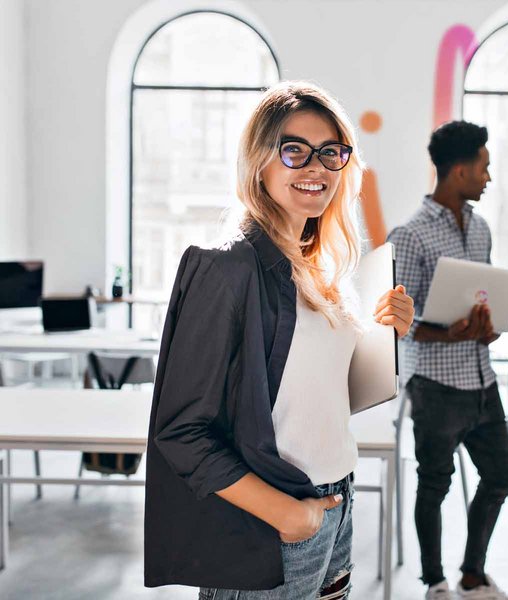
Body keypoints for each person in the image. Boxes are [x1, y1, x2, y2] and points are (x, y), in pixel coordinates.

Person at [143, 81, 414, 600]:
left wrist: (386, 335)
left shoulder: (318, 269)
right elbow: (181, 431)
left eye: (331, 153)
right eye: (295, 151)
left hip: (336, 507)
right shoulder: (226, 267)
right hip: (275, 518)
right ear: (260, 162)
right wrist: (286, 513)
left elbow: (310, 396)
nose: (316, 167)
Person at [388, 120, 508, 600]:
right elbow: (399, 319)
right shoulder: (411, 236)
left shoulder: (481, 229)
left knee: (503, 474)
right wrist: (447, 333)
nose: (488, 177)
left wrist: (486, 325)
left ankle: (472, 574)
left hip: (481, 381)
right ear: (459, 170)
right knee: (434, 485)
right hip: (436, 386)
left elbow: (479, 297)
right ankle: (434, 582)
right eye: (484, 167)